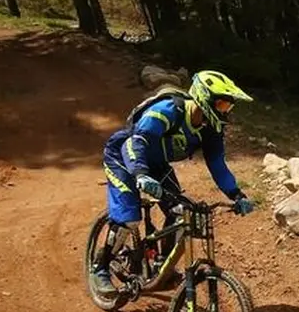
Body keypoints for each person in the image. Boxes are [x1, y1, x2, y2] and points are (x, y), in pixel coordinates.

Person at [90, 70, 257, 295]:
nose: (224, 111)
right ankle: (100, 268)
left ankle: (161, 266)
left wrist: (237, 195)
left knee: (181, 212)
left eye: (227, 107)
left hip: (157, 165)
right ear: (203, 97)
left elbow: (217, 164)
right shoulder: (168, 111)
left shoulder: (210, 130)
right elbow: (136, 142)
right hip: (124, 156)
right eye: (221, 104)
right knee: (129, 219)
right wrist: (141, 174)